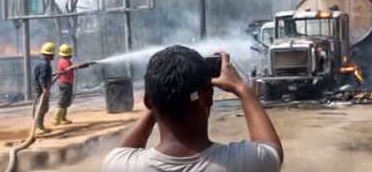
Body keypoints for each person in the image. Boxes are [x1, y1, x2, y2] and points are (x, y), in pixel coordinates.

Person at [102, 45, 283, 172]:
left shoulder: (118, 166)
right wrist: (242, 89)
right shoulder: (247, 163)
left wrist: (161, 94)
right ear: (208, 96)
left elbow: (122, 152)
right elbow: (272, 151)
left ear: (149, 102)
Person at [33, 42, 56, 134]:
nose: (53, 56)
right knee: (42, 108)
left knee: (44, 108)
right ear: (48, 54)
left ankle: (39, 125)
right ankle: (39, 127)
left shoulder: (41, 62)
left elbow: (43, 75)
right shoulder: (45, 64)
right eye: (52, 54)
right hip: (42, 89)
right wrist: (44, 89)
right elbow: (42, 78)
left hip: (41, 88)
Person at [54, 44, 74, 125]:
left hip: (67, 83)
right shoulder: (65, 61)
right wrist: (74, 67)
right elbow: (68, 70)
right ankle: (57, 119)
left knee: (65, 102)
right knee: (62, 102)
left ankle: (63, 118)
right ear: (68, 54)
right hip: (65, 84)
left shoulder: (64, 60)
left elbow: (70, 69)